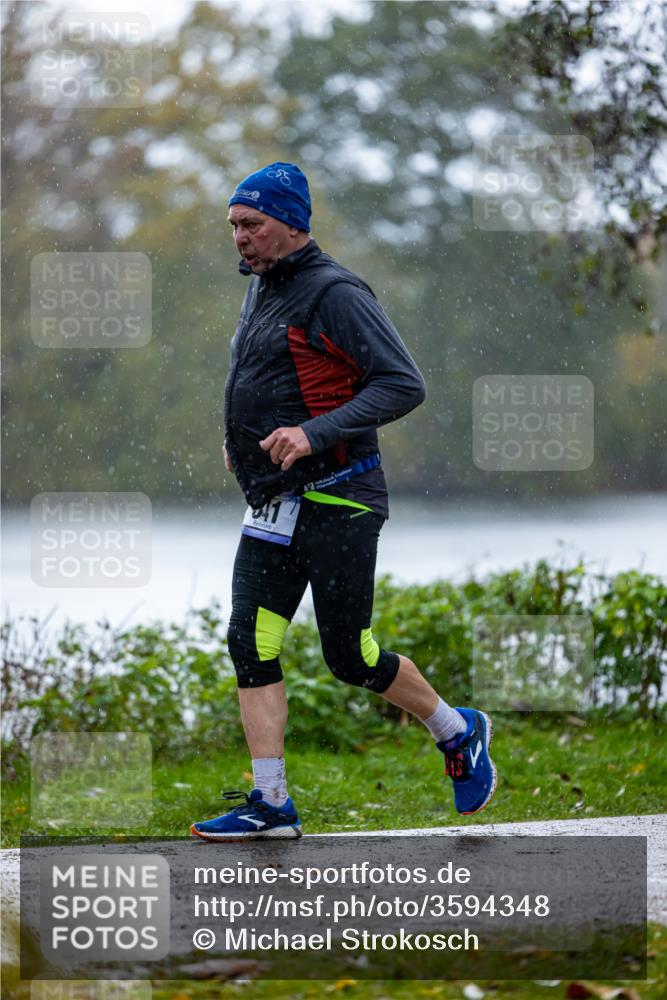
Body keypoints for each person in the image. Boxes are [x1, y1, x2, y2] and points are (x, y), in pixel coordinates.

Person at [190, 162, 496, 841]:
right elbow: (266, 377)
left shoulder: (336, 292)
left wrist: (312, 434)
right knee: (249, 641)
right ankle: (271, 802)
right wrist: (238, 443)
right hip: (273, 500)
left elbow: (402, 384)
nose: (239, 237)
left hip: (340, 496)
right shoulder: (262, 287)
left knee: (350, 656)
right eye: (233, 225)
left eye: (251, 224)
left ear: (290, 223)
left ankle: (457, 730)